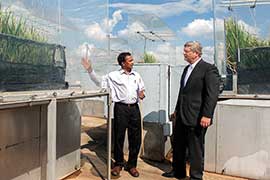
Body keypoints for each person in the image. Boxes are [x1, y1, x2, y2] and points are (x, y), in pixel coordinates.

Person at [162, 41, 220, 180]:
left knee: (195, 149)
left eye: (186, 51)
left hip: (197, 116)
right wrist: (176, 110)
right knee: (178, 145)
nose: (184, 53)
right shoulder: (186, 69)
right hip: (182, 115)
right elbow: (183, 93)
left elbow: (212, 95)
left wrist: (207, 115)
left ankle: (195, 176)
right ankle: (178, 172)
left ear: (196, 53)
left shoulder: (208, 69)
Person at [81, 52, 145, 178]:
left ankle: (132, 165)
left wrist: (141, 93)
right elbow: (99, 81)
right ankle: (118, 164)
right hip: (120, 108)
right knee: (119, 137)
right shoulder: (113, 76)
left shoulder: (136, 75)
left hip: (134, 109)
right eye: (130, 60)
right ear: (123, 63)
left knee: (135, 138)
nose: (133, 62)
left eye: (132, 60)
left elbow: (141, 88)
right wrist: (90, 70)